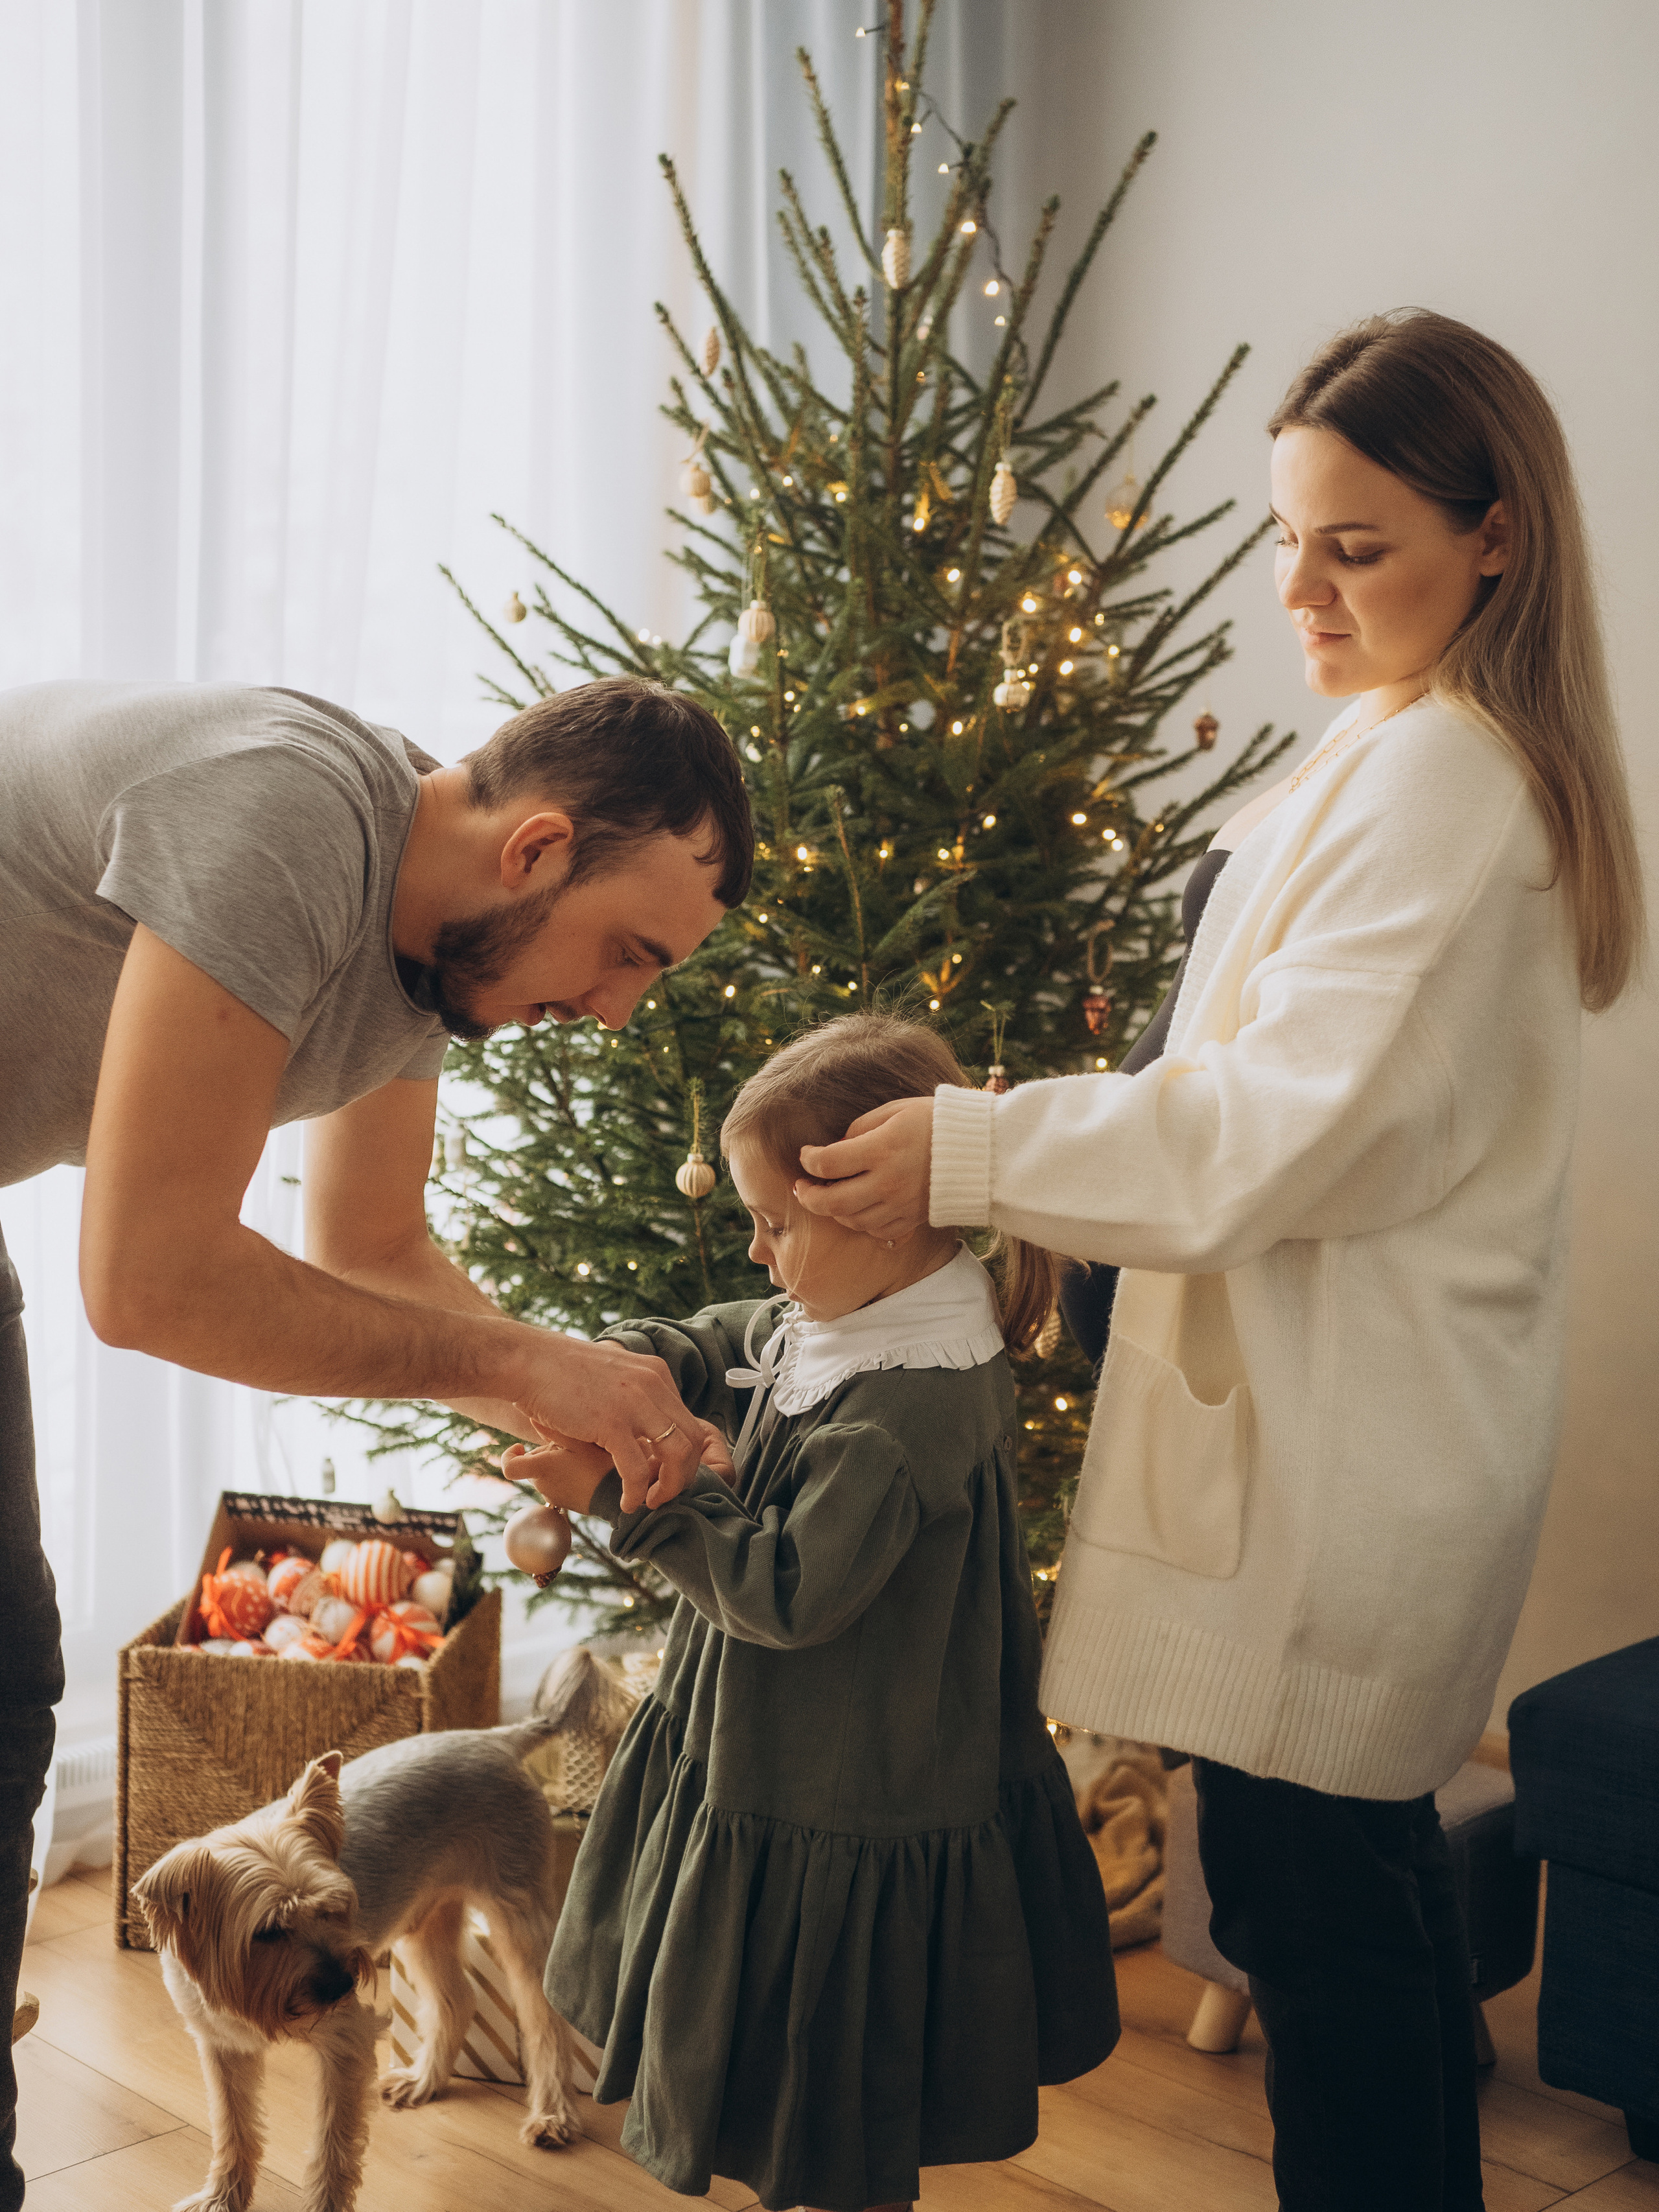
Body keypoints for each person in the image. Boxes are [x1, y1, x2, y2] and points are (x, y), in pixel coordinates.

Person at [784, 310, 1645, 2210]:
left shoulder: (1446, 790)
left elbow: (1275, 1121)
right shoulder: (1402, 749)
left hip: (1356, 1455)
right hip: (1356, 1434)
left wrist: (981, 1145)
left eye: (1358, 547)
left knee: (1313, 1917)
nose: (1301, 590)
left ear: (1495, 536)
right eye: (1288, 539)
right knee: (1353, 1893)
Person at [0, 671, 751, 2211]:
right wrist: (531, 1361)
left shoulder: (419, 941)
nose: (616, 1014)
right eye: (628, 955)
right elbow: (145, 1279)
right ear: (535, 849)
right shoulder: (287, 816)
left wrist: (571, 1409)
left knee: (11, 1676)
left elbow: (371, 1246)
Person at [513, 1014, 1119, 2212]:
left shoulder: (906, 1409)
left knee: (832, 2073)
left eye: (775, 1222)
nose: (755, 1248)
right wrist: (622, 1368)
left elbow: (784, 1592)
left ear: (884, 1212)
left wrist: (620, 1502)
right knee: (783, 2069)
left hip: (847, 1776)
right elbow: (725, 1345)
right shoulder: (840, 1318)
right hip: (770, 1751)